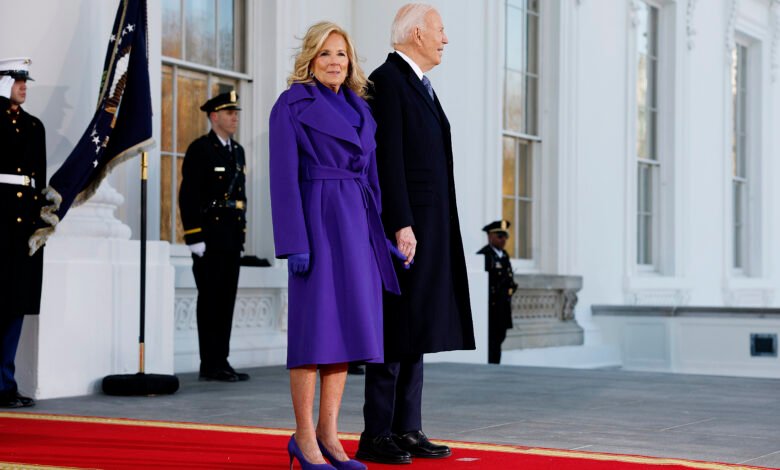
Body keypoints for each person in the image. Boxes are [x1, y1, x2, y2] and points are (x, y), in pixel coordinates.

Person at [269, 21, 407, 470]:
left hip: (357, 224)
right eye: (326, 54)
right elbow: (282, 178)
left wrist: (380, 237)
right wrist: (294, 242)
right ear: (310, 57)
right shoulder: (291, 104)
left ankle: (330, 435)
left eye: (341, 55)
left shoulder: (361, 109)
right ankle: (304, 438)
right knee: (314, 333)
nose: (334, 62)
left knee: (346, 333)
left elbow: (372, 179)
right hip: (317, 220)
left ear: (351, 62)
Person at [357, 4, 476, 464]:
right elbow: (387, 159)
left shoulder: (420, 86)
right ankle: (377, 433)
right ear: (415, 34)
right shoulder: (387, 82)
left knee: (418, 325)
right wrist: (400, 223)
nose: (445, 40)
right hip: (405, 230)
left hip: (430, 226)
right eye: (441, 31)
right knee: (395, 326)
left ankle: (408, 427)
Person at [179, 91, 251, 383]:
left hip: (231, 239)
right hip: (207, 239)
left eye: (236, 112)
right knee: (209, 302)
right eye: (229, 112)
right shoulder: (201, 149)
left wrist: (242, 235)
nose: (234, 117)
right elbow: (188, 195)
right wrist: (193, 236)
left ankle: (222, 360)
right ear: (214, 117)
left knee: (226, 302)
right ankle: (209, 363)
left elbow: (240, 197)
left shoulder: (238, 152)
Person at [0, 57, 45, 408]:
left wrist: (39, 224)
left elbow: (38, 180)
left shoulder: (34, 126)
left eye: (25, 80)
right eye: (17, 79)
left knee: (15, 306)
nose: (24, 85)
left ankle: (5, 383)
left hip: (22, 228)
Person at [477, 220, 518, 364]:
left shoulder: (504, 255)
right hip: (491, 308)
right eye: (500, 236)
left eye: (505, 236)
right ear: (490, 236)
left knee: (500, 338)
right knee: (491, 340)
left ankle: (496, 365)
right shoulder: (484, 255)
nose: (504, 240)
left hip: (503, 306)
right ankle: (491, 366)